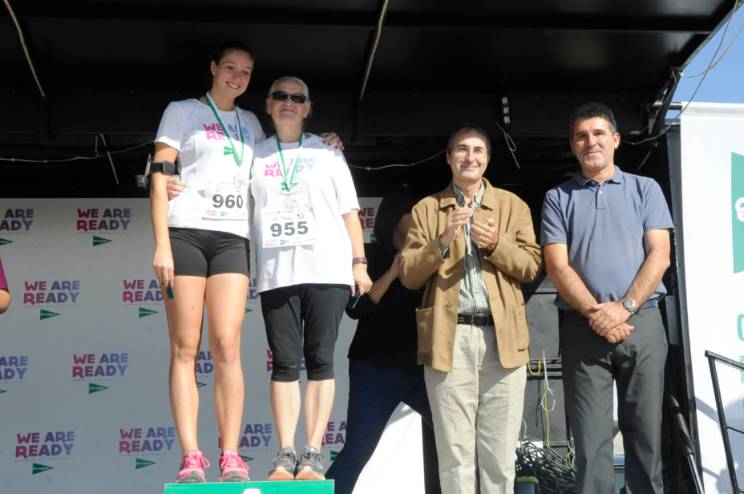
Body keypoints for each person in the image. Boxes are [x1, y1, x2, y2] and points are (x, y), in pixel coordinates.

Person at [399, 127, 541, 494]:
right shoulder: (427, 209)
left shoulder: (512, 205)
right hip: (449, 340)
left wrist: (496, 244)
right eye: (461, 150)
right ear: (449, 158)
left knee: (499, 458)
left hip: (503, 340)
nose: (470, 157)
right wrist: (443, 240)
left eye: (478, 150)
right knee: (455, 456)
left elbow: (531, 267)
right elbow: (409, 275)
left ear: (488, 159)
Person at [540, 102, 672, 494]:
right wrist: (597, 314)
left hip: (642, 323)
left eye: (598, 133)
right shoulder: (557, 197)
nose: (590, 142)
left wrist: (624, 307)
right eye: (581, 136)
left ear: (615, 140)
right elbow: (557, 265)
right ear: (572, 145)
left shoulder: (645, 189)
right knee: (590, 442)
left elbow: (660, 255)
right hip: (583, 329)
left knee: (646, 437)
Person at [150, 40, 262, 483]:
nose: (237, 77)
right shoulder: (182, 111)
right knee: (184, 346)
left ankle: (231, 453)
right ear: (214, 67)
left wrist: (325, 142)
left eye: (246, 72)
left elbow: (276, 163)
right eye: (230, 68)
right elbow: (159, 177)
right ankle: (191, 455)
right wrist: (161, 244)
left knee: (228, 345)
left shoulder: (251, 122)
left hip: (233, 236)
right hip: (185, 233)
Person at [251, 76, 372, 481]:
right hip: (276, 272)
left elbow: (349, 211)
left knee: (321, 358)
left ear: (307, 107)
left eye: (297, 97)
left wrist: (359, 262)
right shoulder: (254, 154)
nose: (288, 102)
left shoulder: (327, 151)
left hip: (327, 268)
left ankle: (313, 453)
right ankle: (286, 453)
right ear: (268, 105)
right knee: (284, 361)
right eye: (280, 96)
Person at [326, 186, 439, 494]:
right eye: (414, 213)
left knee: (455, 442)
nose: (422, 219)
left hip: (422, 368)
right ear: (395, 218)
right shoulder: (368, 254)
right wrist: (392, 272)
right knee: (358, 450)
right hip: (375, 368)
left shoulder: (427, 257)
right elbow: (356, 308)